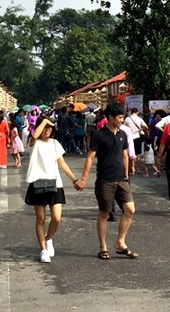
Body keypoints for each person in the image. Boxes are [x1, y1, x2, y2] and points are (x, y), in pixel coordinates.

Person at [75, 103, 139, 260]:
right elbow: (90, 157)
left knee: (130, 210)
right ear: (110, 117)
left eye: (123, 117)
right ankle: (102, 247)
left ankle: (120, 242)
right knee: (104, 213)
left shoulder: (123, 134)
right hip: (105, 181)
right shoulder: (99, 135)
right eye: (119, 117)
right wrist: (83, 178)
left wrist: (126, 174)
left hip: (121, 180)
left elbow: (124, 155)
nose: (122, 120)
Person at [24, 116, 79, 263]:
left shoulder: (55, 143)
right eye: (45, 127)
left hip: (55, 184)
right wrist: (44, 121)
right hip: (38, 183)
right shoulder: (34, 143)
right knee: (40, 218)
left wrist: (74, 179)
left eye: (50, 127)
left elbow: (63, 164)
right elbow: (34, 136)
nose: (47, 130)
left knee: (57, 218)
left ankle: (48, 238)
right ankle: (43, 250)